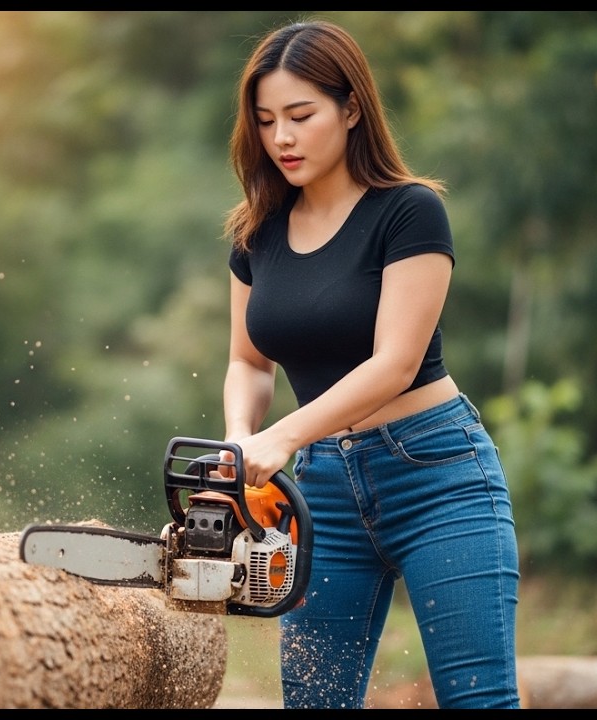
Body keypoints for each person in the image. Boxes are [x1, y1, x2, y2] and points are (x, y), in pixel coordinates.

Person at [215, 18, 521, 709]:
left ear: (351, 108)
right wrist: (241, 436)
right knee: (316, 703)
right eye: (266, 121)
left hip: (436, 476)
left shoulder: (408, 213)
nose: (282, 138)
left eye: (301, 115)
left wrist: (282, 438)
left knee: (480, 702)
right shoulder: (255, 232)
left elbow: (394, 363)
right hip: (321, 490)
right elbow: (248, 361)